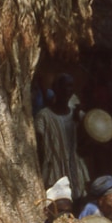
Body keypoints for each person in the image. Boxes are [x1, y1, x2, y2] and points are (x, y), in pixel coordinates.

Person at [34, 74, 89, 202]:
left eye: (71, 87)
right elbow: (39, 148)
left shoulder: (77, 114)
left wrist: (79, 124)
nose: (68, 90)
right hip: (55, 173)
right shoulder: (44, 117)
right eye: (65, 86)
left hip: (76, 173)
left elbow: (87, 145)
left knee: (79, 206)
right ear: (56, 89)